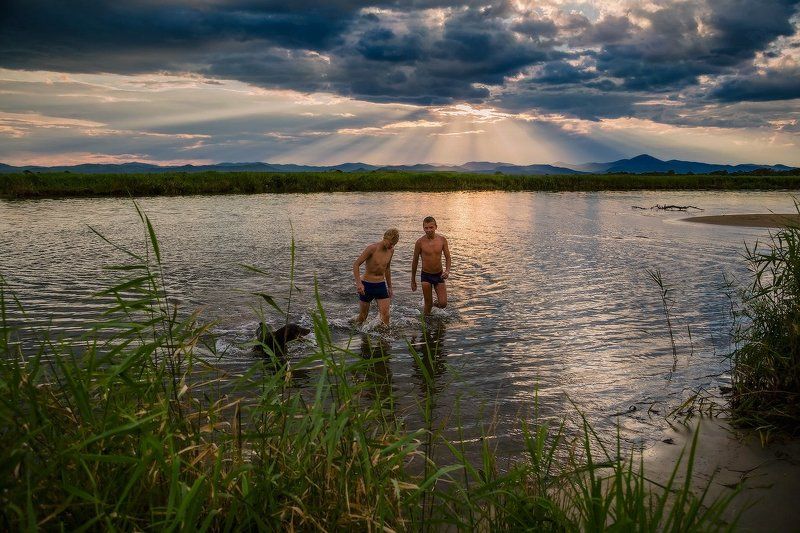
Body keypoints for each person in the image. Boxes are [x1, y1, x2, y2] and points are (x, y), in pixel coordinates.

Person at [353, 228, 399, 325]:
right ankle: (354, 331)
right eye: (390, 243)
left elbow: (387, 268)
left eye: (394, 244)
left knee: (386, 316)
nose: (391, 246)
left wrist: (390, 287)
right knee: (363, 317)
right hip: (367, 286)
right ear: (385, 238)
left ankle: (384, 339)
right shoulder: (372, 248)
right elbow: (356, 264)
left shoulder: (391, 250)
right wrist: (359, 284)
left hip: (381, 285)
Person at [411, 216, 451, 315]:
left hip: (439, 275)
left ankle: (432, 306)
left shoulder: (442, 240)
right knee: (428, 305)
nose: (428, 230)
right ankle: (425, 325)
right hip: (426, 276)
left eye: (431, 227)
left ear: (435, 227)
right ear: (423, 228)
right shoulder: (420, 242)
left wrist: (447, 271)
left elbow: (448, 257)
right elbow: (415, 261)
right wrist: (413, 280)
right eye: (426, 228)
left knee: (443, 303)